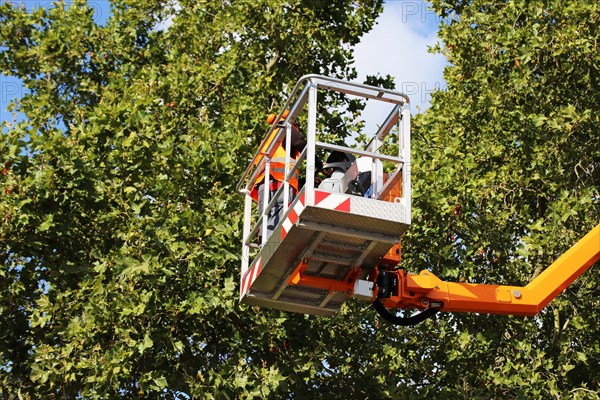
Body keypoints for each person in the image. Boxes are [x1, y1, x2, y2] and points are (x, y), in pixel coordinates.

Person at [250, 110, 306, 241]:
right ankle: (273, 245)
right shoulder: (287, 129)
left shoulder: (269, 139)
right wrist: (318, 163)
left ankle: (263, 245)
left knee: (266, 217)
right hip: (280, 183)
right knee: (280, 215)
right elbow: (300, 143)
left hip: (263, 185)